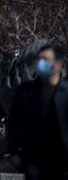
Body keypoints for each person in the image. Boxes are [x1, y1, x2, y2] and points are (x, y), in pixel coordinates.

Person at [9, 43, 68, 180]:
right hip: (35, 162)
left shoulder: (66, 92)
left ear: (57, 65)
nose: (40, 63)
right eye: (39, 59)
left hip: (63, 162)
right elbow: (14, 123)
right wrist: (13, 152)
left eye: (45, 60)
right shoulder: (25, 91)